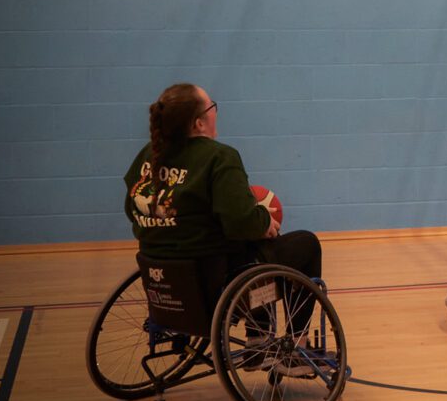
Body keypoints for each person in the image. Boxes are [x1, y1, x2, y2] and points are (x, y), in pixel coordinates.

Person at [123, 82, 323, 376]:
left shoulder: (146, 157)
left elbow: (134, 209)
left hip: (165, 285)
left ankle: (260, 336)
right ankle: (294, 345)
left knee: (251, 250)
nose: (216, 112)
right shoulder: (219, 157)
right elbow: (240, 222)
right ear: (199, 122)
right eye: (212, 106)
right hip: (213, 287)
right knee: (304, 244)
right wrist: (264, 221)